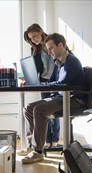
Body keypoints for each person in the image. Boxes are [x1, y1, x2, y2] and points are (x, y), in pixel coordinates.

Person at [21, 33, 86, 164]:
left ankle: (38, 151)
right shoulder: (58, 63)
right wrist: (35, 83)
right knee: (28, 108)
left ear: (60, 45)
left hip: (74, 100)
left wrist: (44, 84)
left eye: (51, 48)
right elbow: (51, 82)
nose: (49, 52)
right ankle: (33, 144)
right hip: (61, 98)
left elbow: (62, 83)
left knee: (39, 110)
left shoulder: (72, 61)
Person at [17, 24, 60, 156]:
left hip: (57, 81)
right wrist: (26, 78)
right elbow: (34, 68)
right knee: (43, 112)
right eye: (31, 38)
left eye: (35, 36)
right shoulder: (35, 49)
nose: (34, 40)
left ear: (41, 32)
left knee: (53, 110)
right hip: (44, 81)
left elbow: (64, 56)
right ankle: (45, 140)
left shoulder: (52, 42)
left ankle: (55, 140)